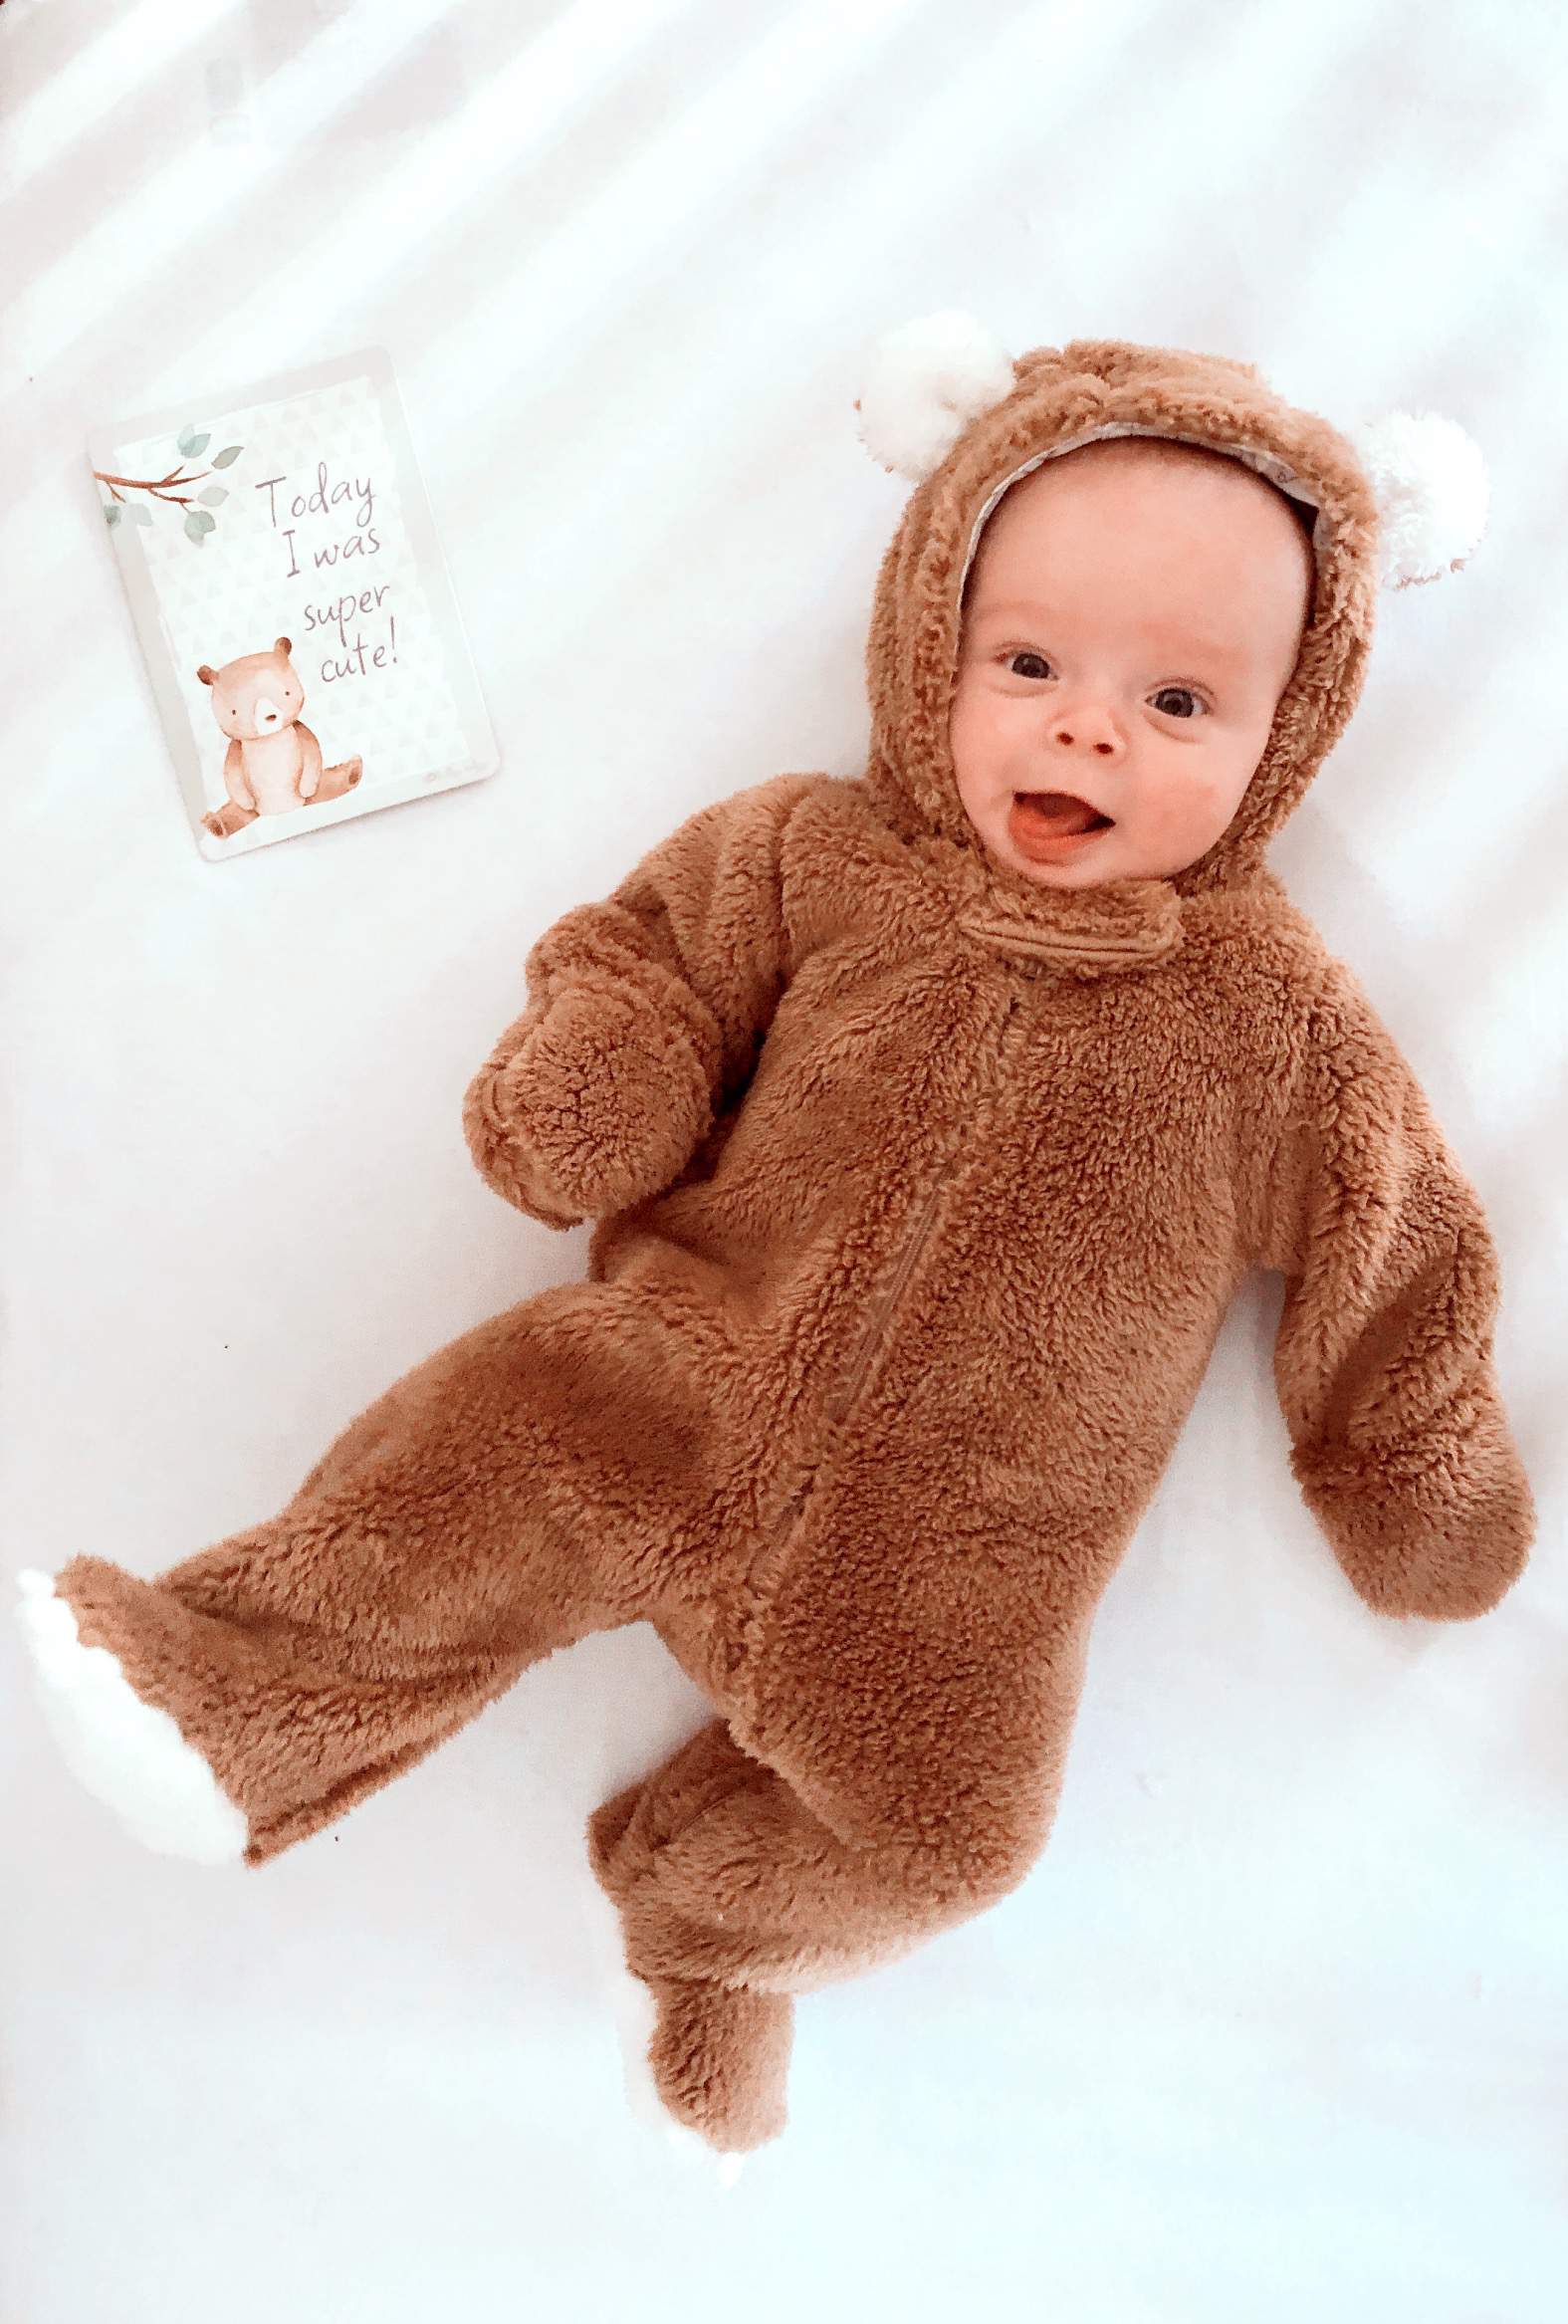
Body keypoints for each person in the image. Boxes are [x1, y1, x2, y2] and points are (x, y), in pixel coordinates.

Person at [16, 319, 1535, 2163]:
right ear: (932, 641)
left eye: (1179, 703)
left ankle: (716, 1926)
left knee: (958, 1834)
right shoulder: (820, 852)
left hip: (952, 1575)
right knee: (462, 1474)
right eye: (1032, 660)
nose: (1085, 725)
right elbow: (644, 956)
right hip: (678, 1379)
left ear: (1286, 735)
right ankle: (225, 1691)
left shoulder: (1273, 1020)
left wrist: (1403, 1452)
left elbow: (1395, 1242)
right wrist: (608, 1071)